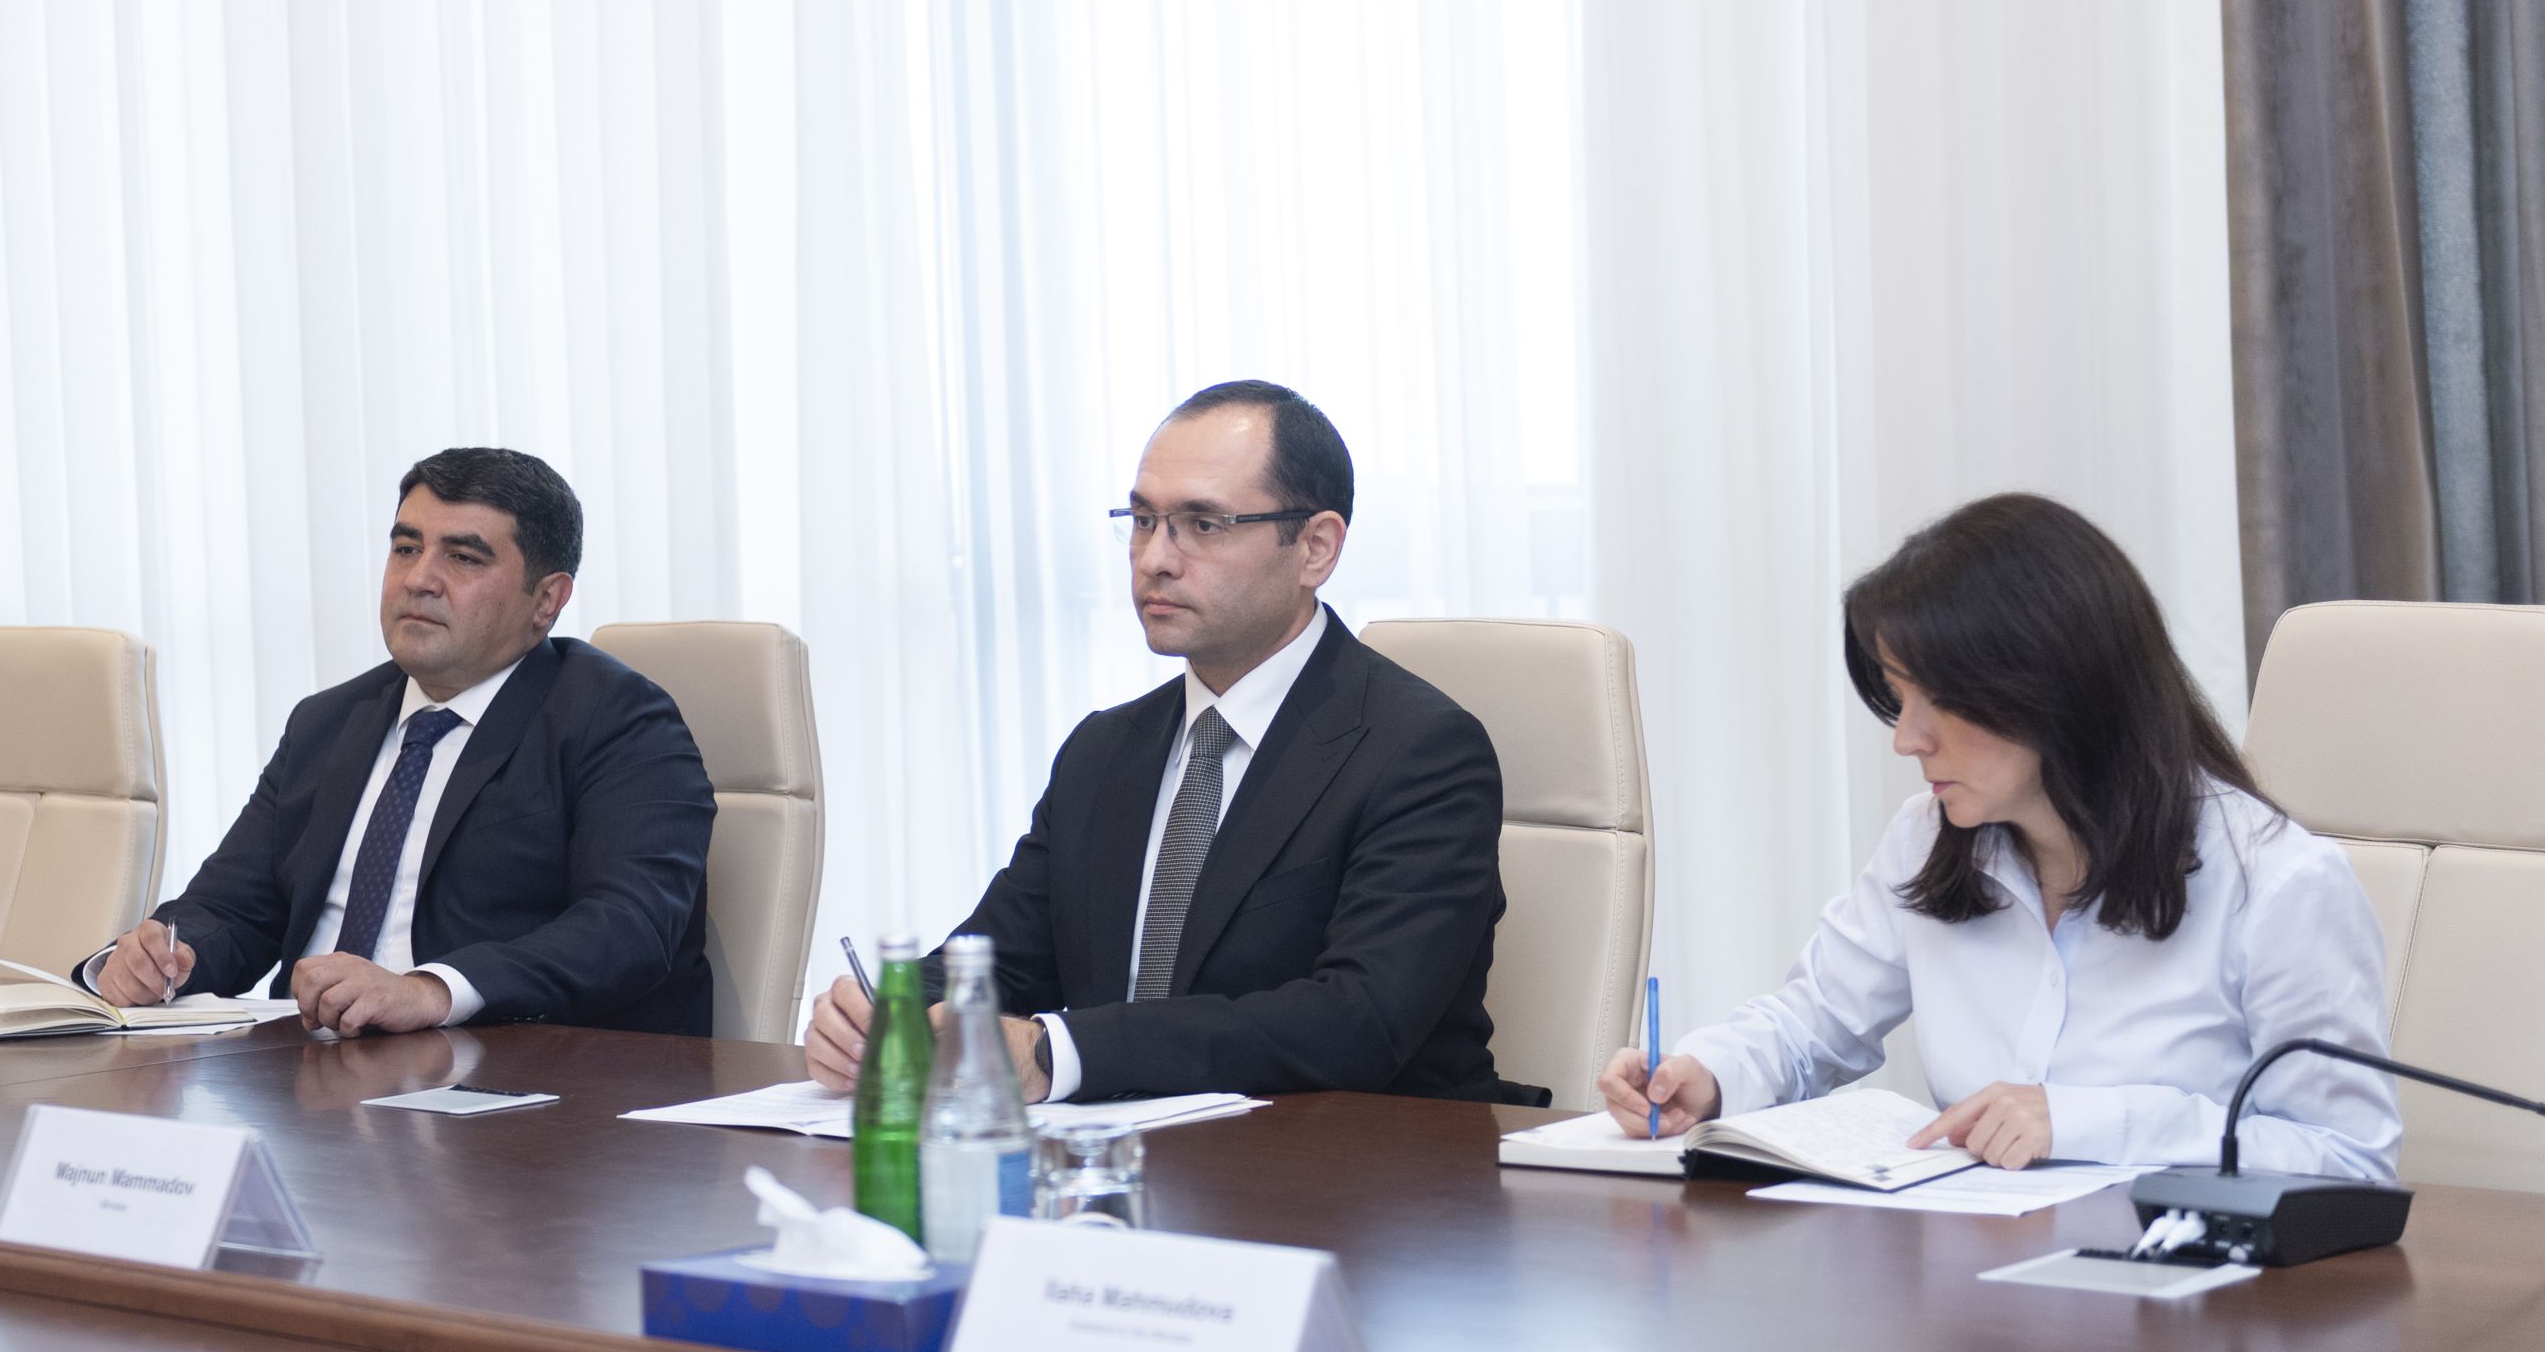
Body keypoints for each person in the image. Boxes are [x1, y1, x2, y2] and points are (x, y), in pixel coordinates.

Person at [1602, 493, 2399, 1178]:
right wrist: (1704, 1075)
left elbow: (2349, 1157)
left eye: (1938, 701)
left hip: (2187, 1288)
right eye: (1898, 699)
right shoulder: (1928, 840)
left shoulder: (2278, 883)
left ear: (2055, 688)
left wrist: (2084, 1122)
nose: (1906, 739)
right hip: (1979, 1279)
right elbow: (1811, 1022)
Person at [805, 380, 1528, 1105]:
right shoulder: (1104, 751)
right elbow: (1004, 960)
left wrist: (1057, 1055)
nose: (1155, 558)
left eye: (1202, 525)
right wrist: (888, 1018)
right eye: (1144, 520)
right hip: (1124, 1156)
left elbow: (1358, 1021)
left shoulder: (1420, 751)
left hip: (1360, 1157)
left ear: (1315, 548)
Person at [79, 447, 716, 1037]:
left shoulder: (617, 720)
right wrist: (154, 959)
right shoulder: (328, 722)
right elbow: (233, 910)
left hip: (509, 1077)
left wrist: (431, 990)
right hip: (302, 1065)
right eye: (406, 548)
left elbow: (630, 926)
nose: (419, 579)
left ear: (547, 600)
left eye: (463, 558)